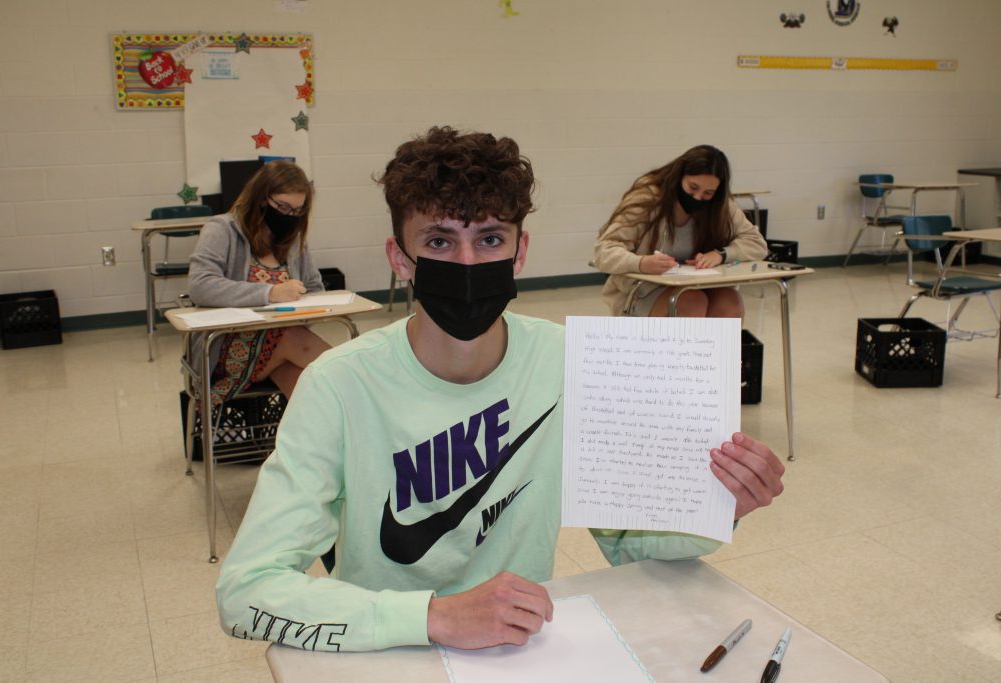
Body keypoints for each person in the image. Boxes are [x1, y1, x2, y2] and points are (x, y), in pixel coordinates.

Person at [215, 127, 785, 653]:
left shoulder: (571, 365)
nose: (467, 262)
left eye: (490, 239)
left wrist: (716, 506)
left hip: (521, 653)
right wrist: (433, 616)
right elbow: (245, 593)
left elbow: (633, 547)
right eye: (438, 242)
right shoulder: (338, 385)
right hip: (388, 651)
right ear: (399, 258)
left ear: (521, 251)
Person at [188, 160, 329, 402]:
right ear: (262, 198)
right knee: (292, 340)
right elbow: (200, 285)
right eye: (283, 207)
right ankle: (362, 385)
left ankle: (318, 438)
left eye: (297, 211)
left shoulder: (292, 240)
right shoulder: (222, 229)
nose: (289, 216)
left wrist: (303, 304)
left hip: (278, 349)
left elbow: (315, 288)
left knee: (305, 384)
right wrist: (270, 293)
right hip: (227, 349)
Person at [593, 145, 768, 319]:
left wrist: (721, 254)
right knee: (690, 302)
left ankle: (717, 348)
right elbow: (604, 251)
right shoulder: (647, 198)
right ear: (679, 177)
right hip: (642, 290)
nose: (698, 197)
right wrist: (641, 263)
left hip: (699, 285)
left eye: (708, 192)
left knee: (730, 302)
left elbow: (757, 243)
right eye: (693, 187)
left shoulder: (719, 205)